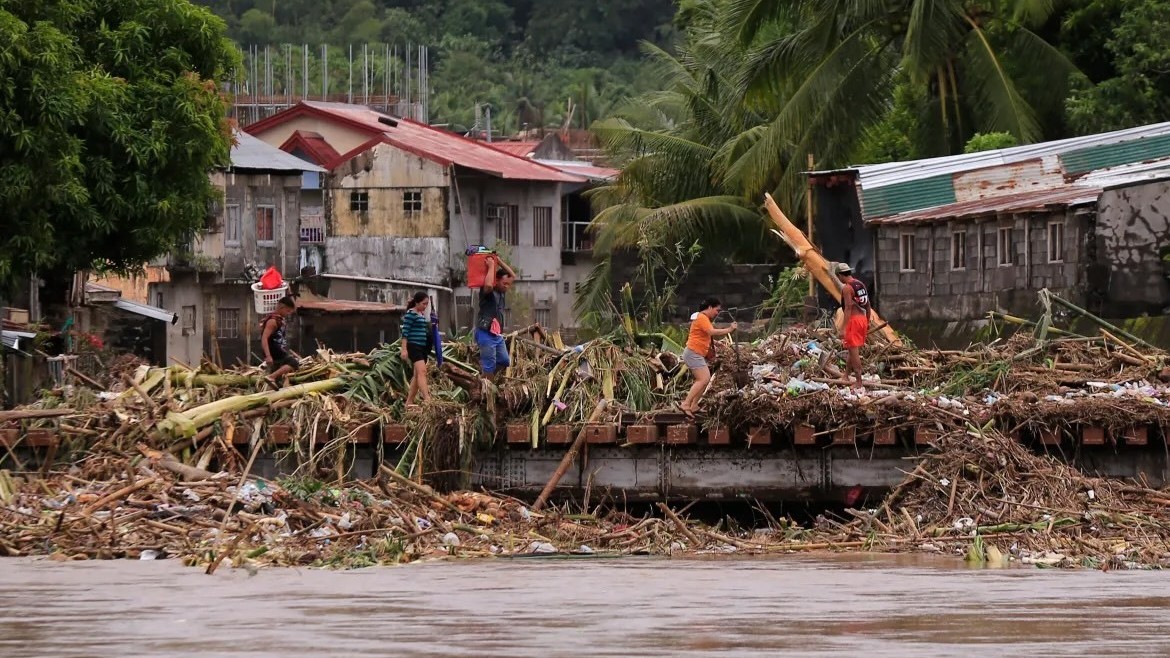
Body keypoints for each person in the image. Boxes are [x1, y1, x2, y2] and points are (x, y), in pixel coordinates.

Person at [680, 298, 737, 420]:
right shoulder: (702, 318)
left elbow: (704, 335)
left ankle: (694, 405)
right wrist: (729, 329)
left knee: (705, 380)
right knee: (703, 379)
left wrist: (715, 344)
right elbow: (711, 331)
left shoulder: (703, 319)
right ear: (710, 307)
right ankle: (686, 404)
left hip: (695, 353)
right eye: (717, 310)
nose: (717, 313)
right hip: (692, 353)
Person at [476, 256, 516, 380]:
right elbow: (488, 285)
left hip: (497, 335)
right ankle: (488, 390)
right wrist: (491, 266)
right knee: (489, 367)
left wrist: (499, 261)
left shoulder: (501, 292)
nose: (507, 287)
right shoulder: (487, 291)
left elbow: (512, 275)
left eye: (508, 285)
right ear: (496, 280)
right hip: (485, 333)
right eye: (504, 284)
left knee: (504, 360)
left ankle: (483, 380)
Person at [835, 263, 872, 386]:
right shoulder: (860, 284)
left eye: (838, 276)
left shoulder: (847, 288)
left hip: (854, 320)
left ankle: (859, 381)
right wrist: (868, 321)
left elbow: (848, 308)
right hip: (862, 319)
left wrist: (843, 328)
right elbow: (867, 304)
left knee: (854, 350)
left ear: (840, 275)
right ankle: (846, 375)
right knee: (853, 348)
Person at [400, 292, 433, 407]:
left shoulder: (421, 314)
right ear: (417, 302)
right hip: (414, 346)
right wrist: (404, 349)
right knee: (422, 372)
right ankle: (427, 399)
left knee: (417, 375)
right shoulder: (411, 314)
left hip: (422, 347)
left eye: (427, 304)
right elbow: (405, 333)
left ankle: (409, 402)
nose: (425, 306)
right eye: (424, 304)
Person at [260, 296, 299, 388]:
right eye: (288, 311)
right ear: (282, 307)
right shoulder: (273, 321)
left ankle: (273, 382)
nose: (288, 314)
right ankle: (271, 377)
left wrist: (290, 293)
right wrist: (268, 356)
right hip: (273, 350)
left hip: (277, 349)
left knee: (278, 378)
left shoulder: (279, 319)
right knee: (294, 363)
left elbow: (294, 307)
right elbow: (264, 338)